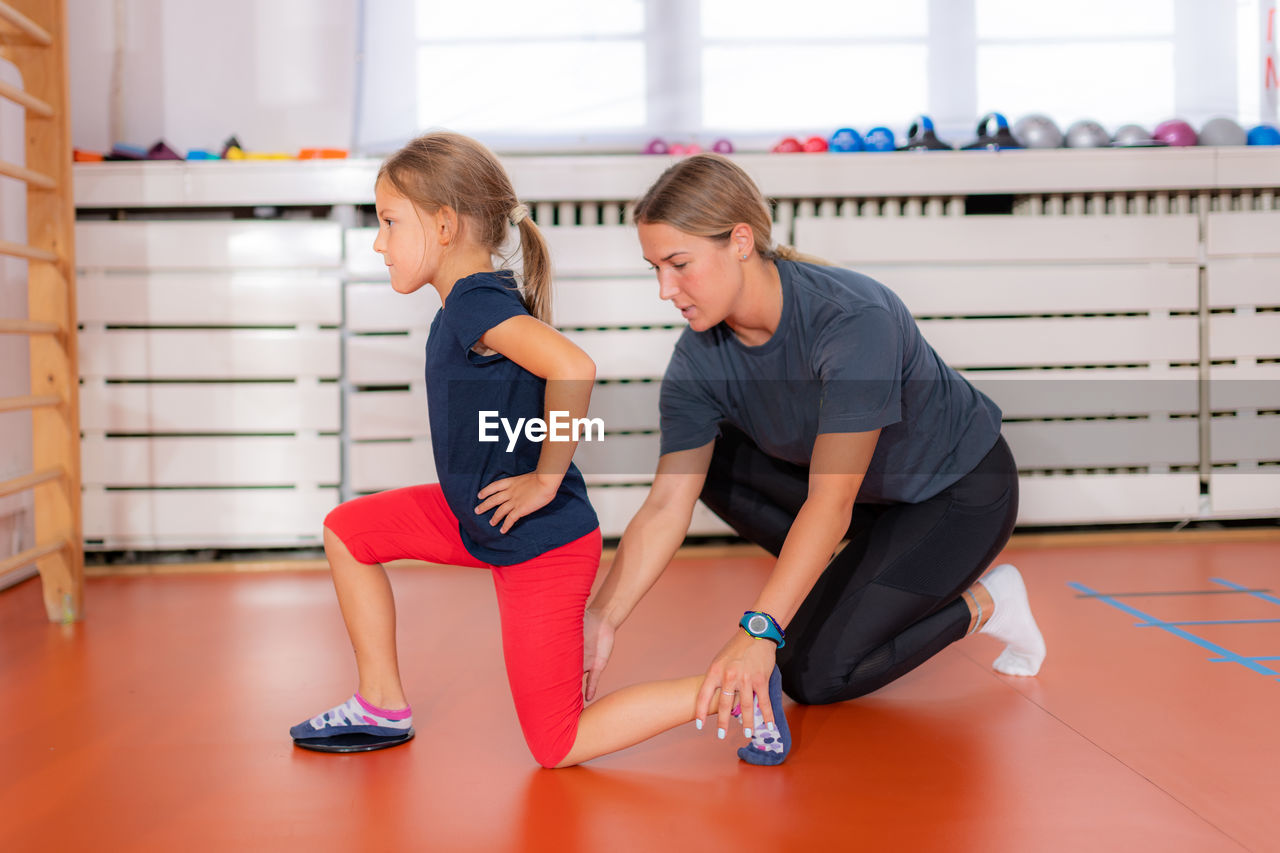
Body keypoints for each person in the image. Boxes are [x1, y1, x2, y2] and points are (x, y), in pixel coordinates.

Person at [290, 133, 787, 768]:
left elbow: (573, 366)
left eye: (389, 222)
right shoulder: (470, 302)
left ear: (444, 225)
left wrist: (546, 480)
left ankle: (737, 691)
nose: (380, 243)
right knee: (350, 531)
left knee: (558, 744)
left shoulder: (474, 303)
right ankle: (382, 704)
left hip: (537, 542)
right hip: (479, 517)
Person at [583, 153, 1046, 764]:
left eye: (679, 265)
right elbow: (668, 502)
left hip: (955, 496)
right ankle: (847, 575)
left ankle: (991, 602)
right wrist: (602, 616)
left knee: (814, 675)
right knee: (704, 465)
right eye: (655, 269)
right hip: (868, 504)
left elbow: (830, 500)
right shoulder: (698, 361)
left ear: (740, 242)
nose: (666, 290)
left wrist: (757, 631)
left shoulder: (851, 319)